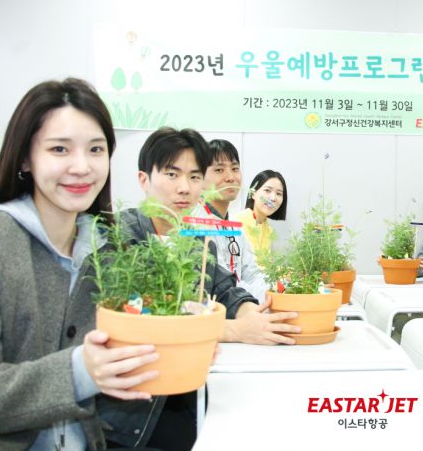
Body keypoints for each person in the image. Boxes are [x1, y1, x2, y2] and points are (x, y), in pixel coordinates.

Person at [0, 78, 157, 450]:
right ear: (25, 157)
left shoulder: (109, 249)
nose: (82, 167)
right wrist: (79, 372)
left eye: (96, 149)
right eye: (59, 149)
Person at [99, 128, 300, 450]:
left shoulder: (192, 238)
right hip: (133, 414)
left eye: (194, 176)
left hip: (189, 388)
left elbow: (224, 285)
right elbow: (140, 319)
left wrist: (252, 314)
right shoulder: (119, 235)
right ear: (143, 180)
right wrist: (233, 330)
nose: (185, 187)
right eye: (172, 174)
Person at [191, 138, 267, 302]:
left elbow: (252, 274)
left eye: (235, 169)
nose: (230, 177)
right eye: (219, 170)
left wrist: (276, 289)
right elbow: (219, 287)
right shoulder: (196, 224)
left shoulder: (234, 225)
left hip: (241, 304)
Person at [233, 169, 287, 257]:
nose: (273, 198)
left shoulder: (269, 229)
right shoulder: (237, 222)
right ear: (253, 193)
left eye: (278, 193)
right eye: (267, 190)